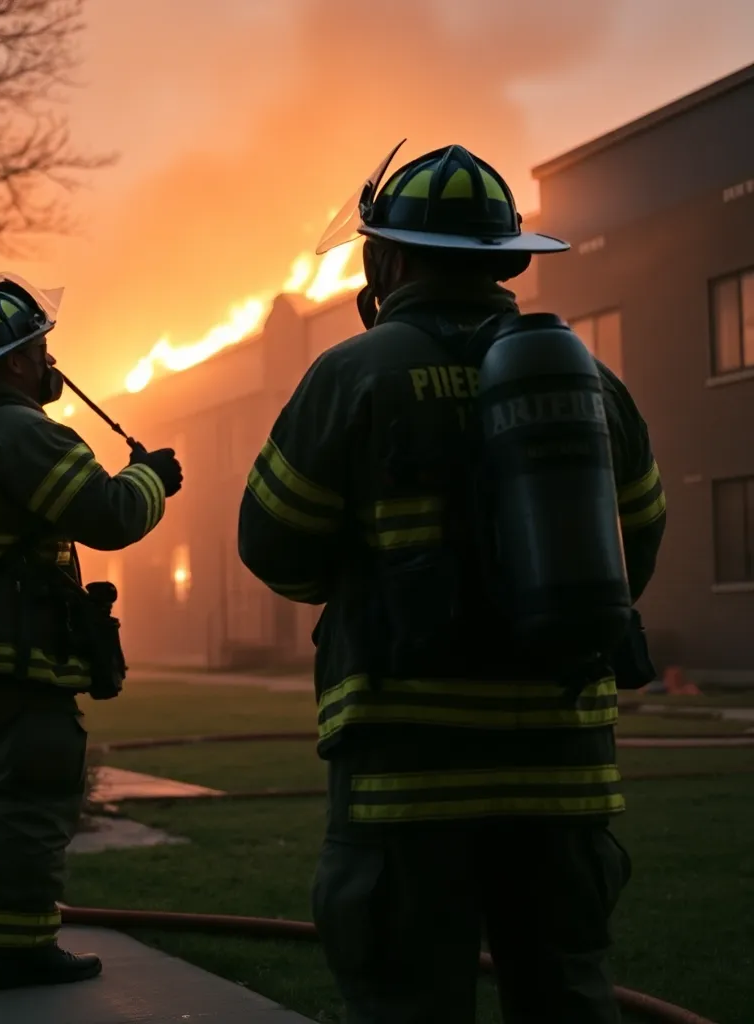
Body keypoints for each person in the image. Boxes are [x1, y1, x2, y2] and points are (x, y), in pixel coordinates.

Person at [237, 143, 666, 1024]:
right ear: (508, 258)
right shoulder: (589, 379)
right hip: (563, 776)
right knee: (567, 998)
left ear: (384, 260)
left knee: (407, 1002)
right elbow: (641, 546)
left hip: (407, 778)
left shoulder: (355, 374)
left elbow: (272, 545)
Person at [0, 275, 183, 991]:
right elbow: (107, 515)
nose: (49, 360)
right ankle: (19, 946)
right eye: (39, 348)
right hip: (12, 665)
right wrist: (151, 479)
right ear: (16, 362)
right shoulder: (22, 433)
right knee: (26, 798)